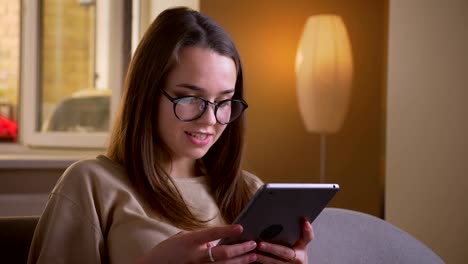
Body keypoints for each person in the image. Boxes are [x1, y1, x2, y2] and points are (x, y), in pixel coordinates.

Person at [28, 7, 314, 264]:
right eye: (190, 98)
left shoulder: (250, 192)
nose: (210, 119)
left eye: (224, 101)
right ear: (148, 94)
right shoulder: (93, 184)